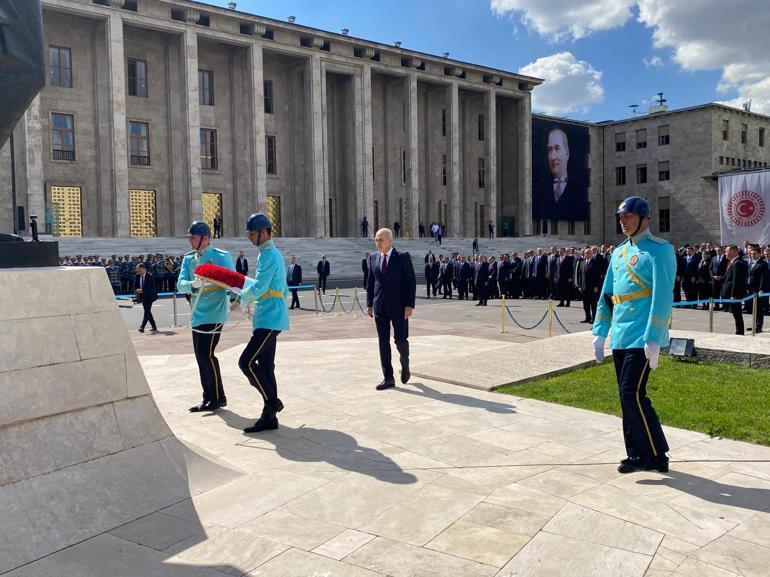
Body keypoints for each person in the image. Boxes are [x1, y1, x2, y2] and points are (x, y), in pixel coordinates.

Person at [592, 196, 674, 474]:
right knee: (626, 396)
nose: (623, 222)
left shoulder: (660, 250)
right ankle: (639, 453)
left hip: (642, 336)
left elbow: (662, 296)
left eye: (628, 216)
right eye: (621, 217)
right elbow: (608, 295)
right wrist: (600, 332)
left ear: (644, 218)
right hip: (621, 334)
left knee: (632, 393)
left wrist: (654, 336)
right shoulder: (618, 252)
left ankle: (653, 454)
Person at [237, 212, 289, 432]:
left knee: (246, 362)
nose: (250, 237)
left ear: (264, 232)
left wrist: (240, 297)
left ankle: (272, 402)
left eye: (252, 234)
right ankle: (269, 417)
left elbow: (259, 287)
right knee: (266, 367)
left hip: (270, 317)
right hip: (269, 315)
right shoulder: (269, 253)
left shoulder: (268, 255)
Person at [176, 220, 235, 412]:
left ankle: (218, 397)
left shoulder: (220, 257)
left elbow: (234, 280)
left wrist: (236, 299)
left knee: (206, 354)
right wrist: (192, 285)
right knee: (200, 356)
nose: (190, 241)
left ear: (205, 238)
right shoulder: (189, 259)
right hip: (197, 313)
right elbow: (180, 284)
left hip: (214, 312)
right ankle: (209, 397)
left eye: (192, 238)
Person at [366, 228, 416, 390]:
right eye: (376, 240)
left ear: (390, 241)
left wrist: (409, 305)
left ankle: (405, 364)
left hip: (399, 307)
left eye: (380, 240)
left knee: (400, 340)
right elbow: (370, 282)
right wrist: (369, 304)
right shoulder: (373, 257)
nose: (377, 243)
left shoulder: (402, 257)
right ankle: (388, 377)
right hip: (380, 306)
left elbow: (410, 282)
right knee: (383, 342)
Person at [722, 244, 748, 335]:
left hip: (735, 294)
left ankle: (739, 331)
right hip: (733, 293)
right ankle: (739, 330)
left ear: (733, 251)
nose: (725, 253)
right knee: (736, 314)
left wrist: (733, 295)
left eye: (727, 251)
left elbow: (736, 280)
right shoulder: (735, 262)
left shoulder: (737, 263)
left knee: (737, 313)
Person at [578, 247, 601, 322]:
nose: (586, 254)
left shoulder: (595, 262)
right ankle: (587, 317)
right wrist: (580, 285)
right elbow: (580, 275)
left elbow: (597, 275)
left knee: (593, 304)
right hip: (584, 287)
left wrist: (596, 286)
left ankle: (594, 318)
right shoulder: (582, 263)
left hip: (592, 287)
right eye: (585, 253)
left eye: (588, 253)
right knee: (585, 304)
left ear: (591, 254)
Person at [748, 245, 767, 333]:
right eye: (751, 254)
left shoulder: (763, 263)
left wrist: (761, 289)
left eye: (754, 253)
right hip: (750, 288)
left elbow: (763, 277)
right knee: (753, 308)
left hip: (758, 289)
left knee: (759, 308)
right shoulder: (751, 263)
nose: (752, 255)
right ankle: (754, 324)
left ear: (759, 254)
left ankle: (759, 326)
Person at [134, 263, 158, 334]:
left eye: (140, 270)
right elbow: (134, 286)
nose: (139, 272)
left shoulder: (150, 276)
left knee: (147, 311)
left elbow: (151, 288)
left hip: (150, 296)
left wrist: (142, 290)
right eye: (138, 271)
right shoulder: (137, 276)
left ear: (144, 269)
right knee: (147, 311)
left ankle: (142, 327)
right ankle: (154, 326)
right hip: (142, 296)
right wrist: (136, 290)